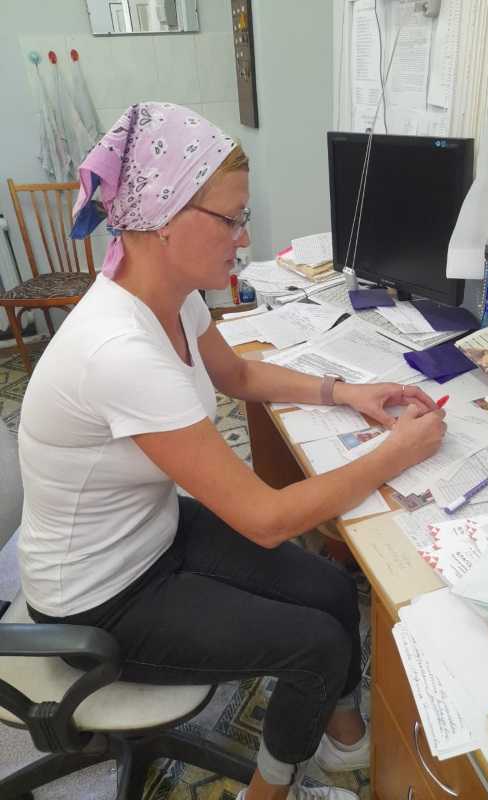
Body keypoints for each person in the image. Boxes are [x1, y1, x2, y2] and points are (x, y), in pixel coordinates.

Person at [17, 102, 446, 800]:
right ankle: (266, 792)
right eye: (231, 219)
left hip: (151, 533)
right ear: (162, 218)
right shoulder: (119, 351)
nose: (244, 238)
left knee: (330, 587)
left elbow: (239, 375)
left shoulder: (170, 294)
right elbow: (266, 519)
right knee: (317, 644)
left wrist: (346, 393)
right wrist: (398, 451)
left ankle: (342, 739)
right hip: (97, 601)